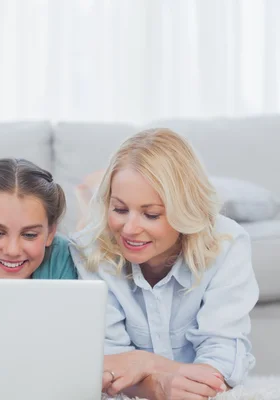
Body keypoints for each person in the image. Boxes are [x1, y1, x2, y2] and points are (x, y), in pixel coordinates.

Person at [72, 128, 259, 399]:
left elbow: (223, 362)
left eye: (151, 214)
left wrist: (142, 363)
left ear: (185, 210)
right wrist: (159, 383)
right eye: (120, 209)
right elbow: (108, 366)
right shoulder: (87, 249)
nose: (130, 229)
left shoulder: (227, 243)